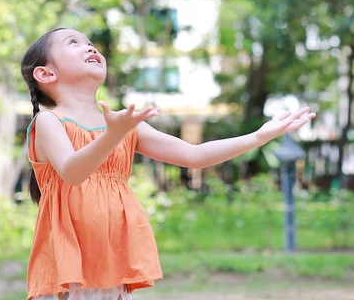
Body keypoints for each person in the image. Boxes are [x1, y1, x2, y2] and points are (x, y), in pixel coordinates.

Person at [21, 27, 316, 300]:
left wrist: (258, 136)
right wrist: (115, 134)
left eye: (90, 43)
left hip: (113, 263)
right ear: (45, 74)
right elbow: (73, 172)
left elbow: (194, 155)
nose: (89, 47)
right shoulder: (48, 121)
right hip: (66, 267)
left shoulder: (124, 125)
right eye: (74, 43)